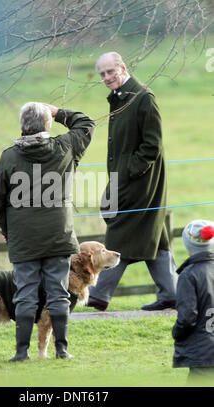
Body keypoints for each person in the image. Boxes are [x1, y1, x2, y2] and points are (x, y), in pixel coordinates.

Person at [0, 102, 95, 362]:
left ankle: (21, 352)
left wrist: (8, 231)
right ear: (47, 124)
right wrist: (58, 112)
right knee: (59, 292)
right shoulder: (65, 147)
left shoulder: (8, 157)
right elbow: (86, 123)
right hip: (58, 235)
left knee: (25, 293)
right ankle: (62, 350)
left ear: (22, 126)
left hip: (23, 238)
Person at [87, 52, 178, 311]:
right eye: (102, 74)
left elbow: (153, 145)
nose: (106, 78)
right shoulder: (120, 99)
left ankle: (100, 294)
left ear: (123, 68)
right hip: (127, 178)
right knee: (155, 233)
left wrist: (128, 172)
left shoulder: (143, 99)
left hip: (142, 182)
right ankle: (171, 294)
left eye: (110, 72)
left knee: (119, 227)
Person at [172, 220, 214, 384]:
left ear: (187, 244)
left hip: (202, 351)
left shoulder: (189, 275)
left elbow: (188, 316)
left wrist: (176, 332)